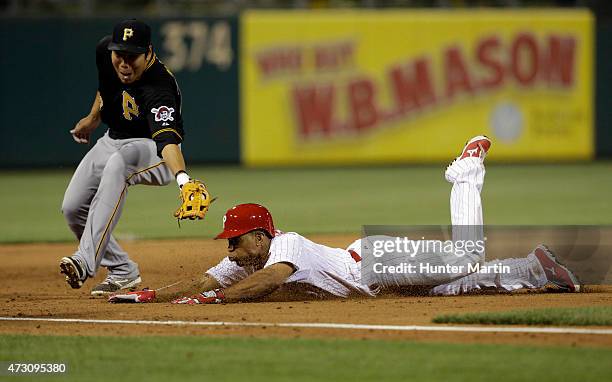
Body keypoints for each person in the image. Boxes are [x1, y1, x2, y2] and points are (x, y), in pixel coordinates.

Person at [109, 136, 581, 304]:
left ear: (259, 236)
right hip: (380, 280)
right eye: (229, 242)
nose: (229, 249)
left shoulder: (283, 246)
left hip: (376, 261)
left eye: (235, 240)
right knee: (463, 284)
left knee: (464, 258)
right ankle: (538, 268)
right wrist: (151, 295)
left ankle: (465, 175)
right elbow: (199, 278)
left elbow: (271, 282)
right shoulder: (245, 262)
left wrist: (214, 299)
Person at [60, 19, 210, 296]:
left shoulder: (159, 86)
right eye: (120, 55)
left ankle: (84, 260)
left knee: (121, 162)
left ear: (148, 52)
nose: (124, 62)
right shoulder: (106, 51)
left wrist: (183, 180)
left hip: (153, 150)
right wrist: (93, 118)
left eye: (132, 56)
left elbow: (167, 140)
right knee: (72, 208)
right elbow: (105, 87)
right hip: (111, 139)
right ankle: (122, 270)